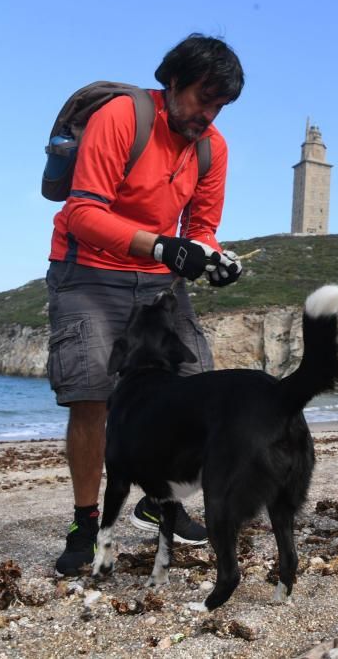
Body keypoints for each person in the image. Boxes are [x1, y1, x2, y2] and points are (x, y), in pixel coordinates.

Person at [46, 34, 245, 576]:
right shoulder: (122, 117)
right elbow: (83, 213)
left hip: (157, 282)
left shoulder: (212, 148)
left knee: (196, 388)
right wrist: (161, 245)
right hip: (87, 271)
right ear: (173, 82)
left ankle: (160, 502)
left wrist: (213, 260)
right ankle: (86, 522)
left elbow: (200, 229)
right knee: (91, 395)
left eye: (220, 105)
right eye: (203, 99)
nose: (209, 114)